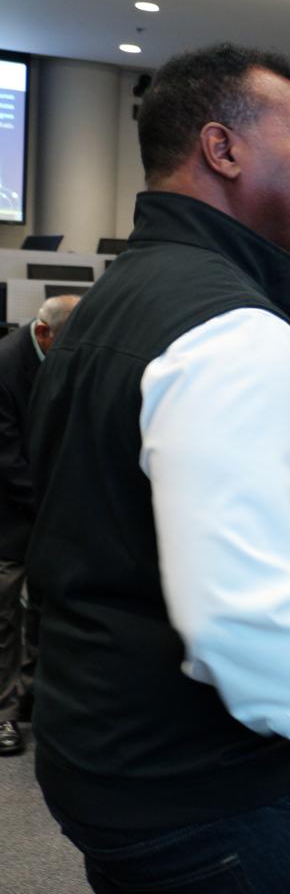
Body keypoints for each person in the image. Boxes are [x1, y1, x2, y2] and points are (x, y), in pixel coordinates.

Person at [25, 43, 290, 889]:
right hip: (232, 795)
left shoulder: (112, 304)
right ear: (222, 149)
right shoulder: (236, 330)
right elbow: (239, 615)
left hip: (112, 754)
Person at [0, 294, 79, 757]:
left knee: (44, 610)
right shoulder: (6, 366)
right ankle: (4, 715)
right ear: (44, 332)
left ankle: (29, 695)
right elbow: (6, 460)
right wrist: (54, 502)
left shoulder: (64, 353)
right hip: (11, 512)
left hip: (50, 510)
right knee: (5, 616)